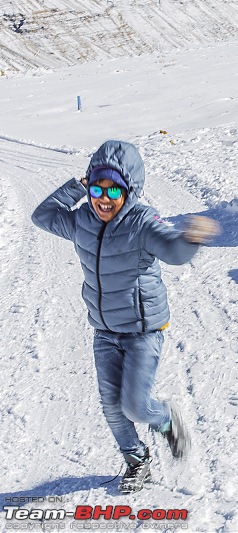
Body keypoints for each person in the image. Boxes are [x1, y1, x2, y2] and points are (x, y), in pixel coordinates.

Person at [31, 140, 220, 493]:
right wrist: (77, 186)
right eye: (97, 187)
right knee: (111, 406)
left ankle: (165, 419)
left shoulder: (142, 222)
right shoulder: (82, 220)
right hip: (103, 331)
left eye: (114, 188)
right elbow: (42, 216)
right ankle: (137, 460)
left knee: (135, 405)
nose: (104, 197)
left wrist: (191, 238)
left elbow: (174, 251)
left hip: (142, 331)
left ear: (128, 189)